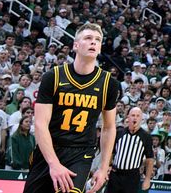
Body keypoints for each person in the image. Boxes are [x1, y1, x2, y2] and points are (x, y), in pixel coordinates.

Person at [25, 23, 120, 193]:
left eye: (97, 40)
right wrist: (54, 164)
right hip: (49, 148)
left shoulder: (109, 84)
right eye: (88, 38)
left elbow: (109, 127)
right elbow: (40, 124)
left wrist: (104, 167)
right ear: (76, 45)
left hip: (81, 153)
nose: (93, 42)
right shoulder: (53, 76)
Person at [109, 107, 155, 192]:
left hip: (132, 176)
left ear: (141, 118)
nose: (135, 118)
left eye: (138, 116)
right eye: (133, 115)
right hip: (115, 174)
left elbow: (150, 159)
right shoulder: (119, 133)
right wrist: (108, 167)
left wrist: (147, 179)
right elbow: (111, 153)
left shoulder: (146, 137)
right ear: (128, 117)